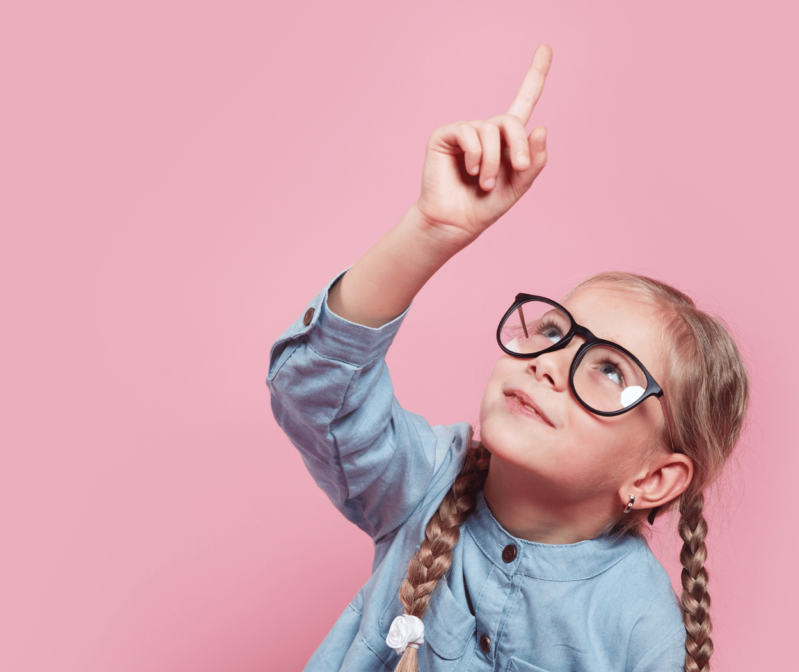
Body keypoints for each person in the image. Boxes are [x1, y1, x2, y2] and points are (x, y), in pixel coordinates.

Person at [267, 45, 748, 672]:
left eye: (609, 369)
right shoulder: (424, 484)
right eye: (552, 329)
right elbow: (316, 394)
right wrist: (430, 230)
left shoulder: (640, 627)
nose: (549, 362)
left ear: (653, 480)